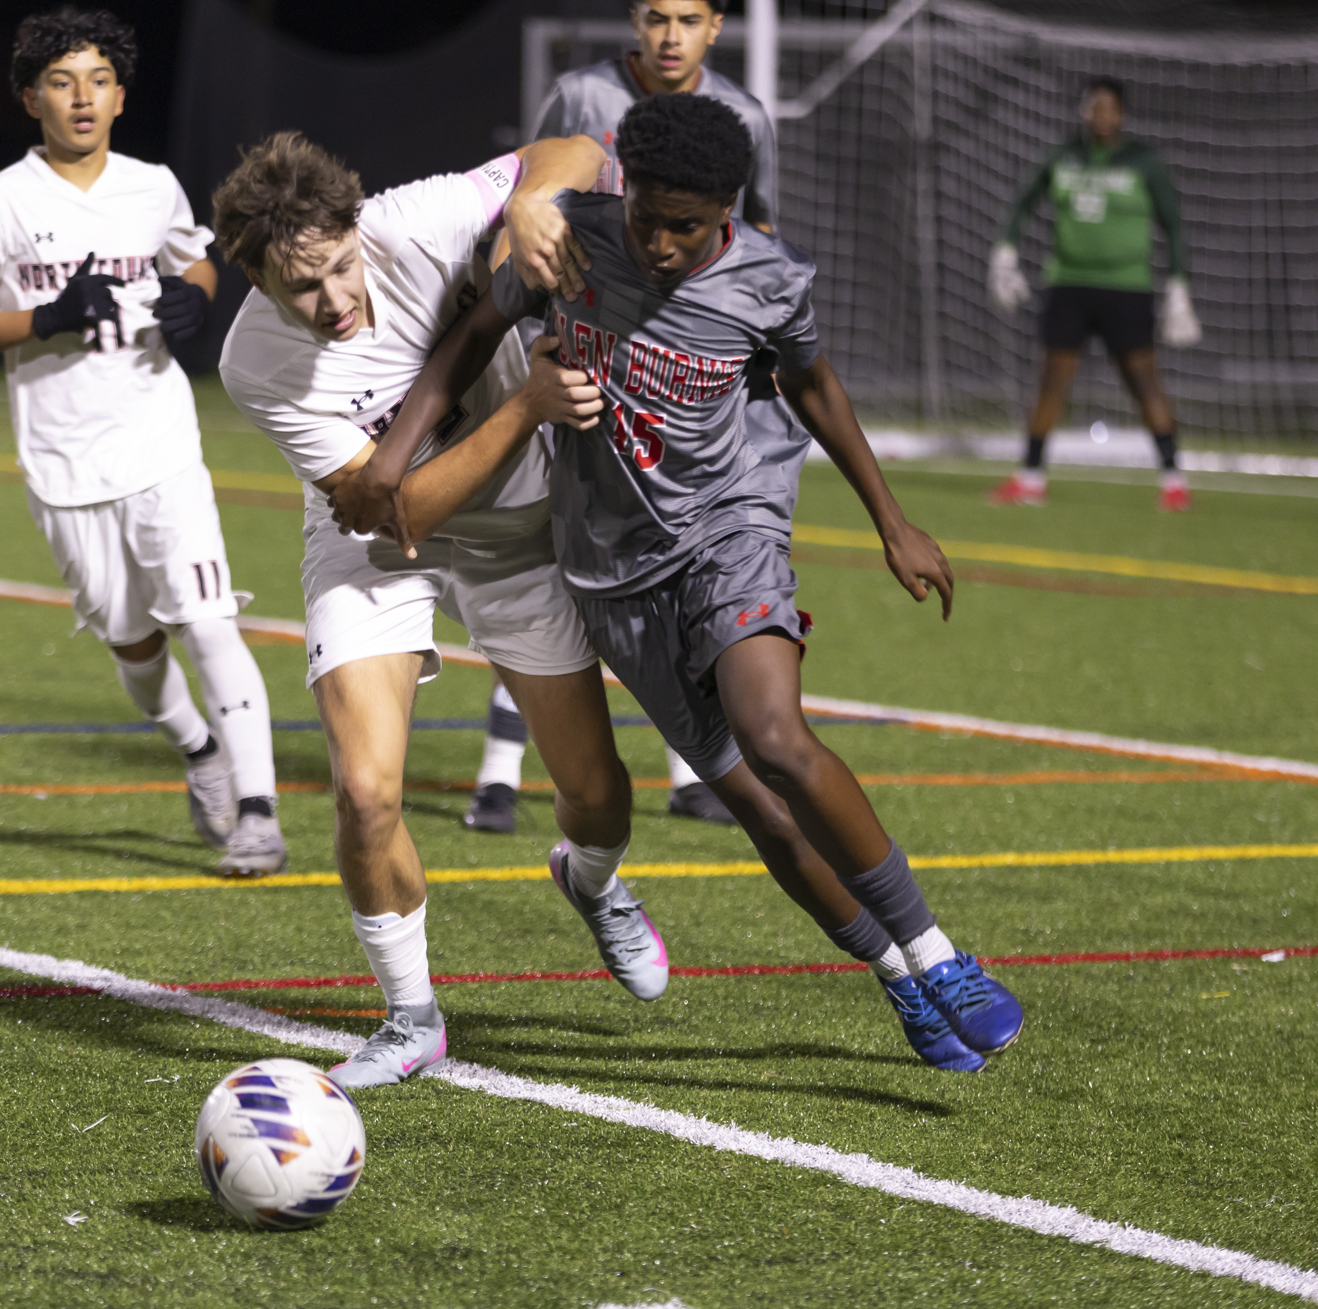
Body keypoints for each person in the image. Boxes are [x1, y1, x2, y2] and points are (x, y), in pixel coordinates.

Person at [339, 93, 1024, 1072]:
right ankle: (893, 980)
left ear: (728, 213)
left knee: (777, 738)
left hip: (726, 530)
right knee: (757, 806)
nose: (658, 243)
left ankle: (938, 956)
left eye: (684, 226)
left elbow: (813, 384)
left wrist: (890, 519)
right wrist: (394, 456)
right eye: (645, 218)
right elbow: (468, 338)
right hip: (612, 575)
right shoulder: (570, 244)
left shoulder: (767, 279)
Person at [213, 129, 670, 1090]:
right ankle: (411, 1015)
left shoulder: (412, 221)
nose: (335, 301)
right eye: (304, 289)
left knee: (596, 793)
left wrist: (532, 202)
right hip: (375, 546)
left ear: (356, 225)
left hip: (518, 534)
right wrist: (525, 407)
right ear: (255, 279)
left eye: (341, 267)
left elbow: (574, 149)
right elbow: (397, 511)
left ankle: (589, 882)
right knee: (366, 791)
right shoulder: (253, 363)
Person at [0, 8, 286, 877]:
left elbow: (196, 256)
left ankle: (257, 809)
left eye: (97, 80)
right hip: (62, 458)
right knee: (131, 640)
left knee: (207, 620)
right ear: (32, 100)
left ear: (121, 97)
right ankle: (197, 745)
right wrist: (45, 316)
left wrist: (198, 297)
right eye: (61, 82)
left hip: (160, 439)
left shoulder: (152, 184)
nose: (81, 97)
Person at [463, 0, 780, 832]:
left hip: (679, 385)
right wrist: (525, 329)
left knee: (673, 568)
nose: (670, 36)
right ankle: (499, 770)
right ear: (633, 20)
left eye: (688, 20)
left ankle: (689, 769)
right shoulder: (581, 95)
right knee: (553, 554)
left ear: (716, 27)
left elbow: (760, 241)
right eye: (655, 18)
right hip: (583, 362)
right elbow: (526, 205)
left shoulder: (746, 115)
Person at [987, 75, 1201, 513]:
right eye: (1094, 107)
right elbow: (1023, 202)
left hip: (1126, 286)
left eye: (1110, 108)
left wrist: (1179, 284)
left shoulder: (1142, 163)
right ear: (1084, 111)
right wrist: (1005, 252)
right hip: (1069, 283)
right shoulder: (1064, 158)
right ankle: (1030, 477)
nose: (1102, 116)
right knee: (1052, 379)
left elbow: (1174, 224)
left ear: (1121, 114)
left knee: (1143, 381)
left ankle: (1173, 479)